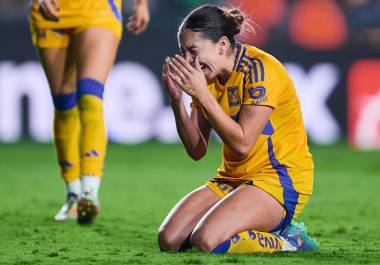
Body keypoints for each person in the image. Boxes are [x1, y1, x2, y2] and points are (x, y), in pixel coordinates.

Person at [158, 5, 318, 253]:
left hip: (278, 179)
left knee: (207, 240)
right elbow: (196, 149)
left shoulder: (260, 70)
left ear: (221, 45)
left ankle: (290, 240)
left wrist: (202, 94)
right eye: (183, 52)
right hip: (232, 179)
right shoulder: (207, 79)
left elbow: (243, 145)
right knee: (169, 240)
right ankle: (243, 220)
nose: (188, 61)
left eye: (193, 51)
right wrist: (177, 100)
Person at [29, 0, 149, 224]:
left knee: (89, 96)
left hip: (98, 8)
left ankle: (90, 191)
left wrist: (141, 4)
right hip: (51, 9)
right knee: (64, 104)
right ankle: (73, 192)